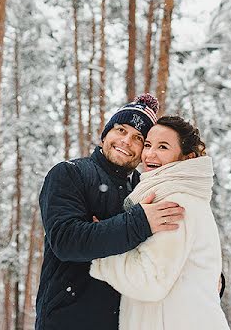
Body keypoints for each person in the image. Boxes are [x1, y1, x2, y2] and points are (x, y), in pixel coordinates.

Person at [35, 94, 186, 330]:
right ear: (105, 134)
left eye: (138, 138)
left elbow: (168, 251)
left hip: (129, 321)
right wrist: (138, 223)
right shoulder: (70, 173)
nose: (126, 141)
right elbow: (66, 240)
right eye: (121, 130)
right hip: (69, 319)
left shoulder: (146, 188)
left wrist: (205, 280)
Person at [90, 115, 230, 330]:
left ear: (186, 157)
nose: (150, 154)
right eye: (147, 145)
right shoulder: (169, 196)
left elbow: (150, 281)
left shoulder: (175, 202)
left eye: (163, 147)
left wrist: (102, 251)